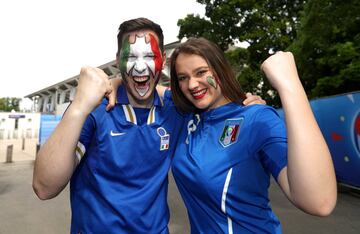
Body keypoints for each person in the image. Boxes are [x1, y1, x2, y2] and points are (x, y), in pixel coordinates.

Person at [32, 18, 264, 233]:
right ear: (118, 60)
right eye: (132, 57)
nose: (141, 68)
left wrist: (248, 106)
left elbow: (216, 105)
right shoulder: (95, 110)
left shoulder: (178, 108)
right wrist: (80, 105)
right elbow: (44, 187)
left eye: (149, 57)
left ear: (162, 59)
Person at [167, 37, 337, 233]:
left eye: (201, 72)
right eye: (182, 77)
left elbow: (319, 201)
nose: (192, 84)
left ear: (220, 69)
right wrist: (120, 79)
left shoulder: (257, 118)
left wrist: (289, 86)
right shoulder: (184, 118)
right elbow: (141, 91)